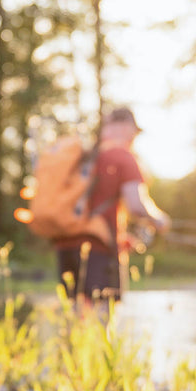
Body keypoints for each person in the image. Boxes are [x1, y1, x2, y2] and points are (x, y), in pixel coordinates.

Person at [55, 107, 170, 305]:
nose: (134, 137)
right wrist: (159, 219)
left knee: (75, 315)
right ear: (126, 127)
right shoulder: (122, 156)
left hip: (66, 244)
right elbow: (136, 204)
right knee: (101, 318)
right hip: (99, 248)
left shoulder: (85, 156)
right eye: (134, 131)